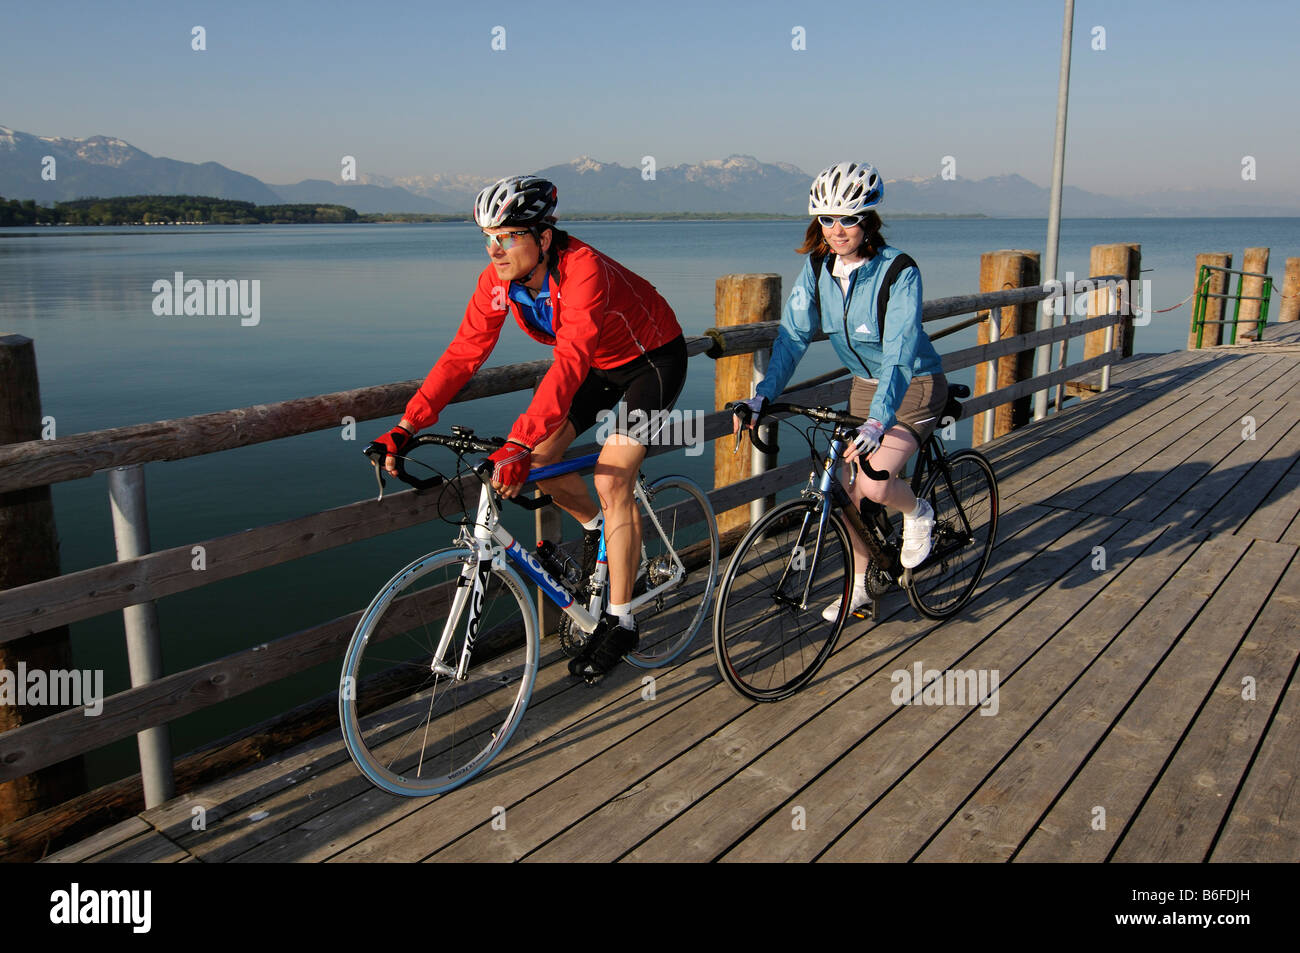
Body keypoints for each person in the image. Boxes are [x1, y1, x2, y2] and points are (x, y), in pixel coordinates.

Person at [369, 175, 687, 678]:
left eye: (508, 235)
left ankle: (622, 620)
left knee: (610, 477)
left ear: (542, 237)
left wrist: (518, 436)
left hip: (651, 362)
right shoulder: (497, 282)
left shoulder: (583, 271)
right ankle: (598, 527)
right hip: (597, 368)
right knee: (540, 462)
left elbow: (570, 359)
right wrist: (407, 424)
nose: (495, 249)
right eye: (487, 237)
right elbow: (463, 354)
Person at [734, 161, 948, 620]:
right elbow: (792, 336)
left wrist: (878, 418)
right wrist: (763, 396)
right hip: (862, 388)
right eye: (827, 219)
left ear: (868, 219)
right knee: (848, 494)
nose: (837, 229)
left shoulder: (899, 272)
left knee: (873, 481)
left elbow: (899, 353)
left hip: (914, 385)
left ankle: (919, 511)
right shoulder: (817, 269)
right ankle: (863, 584)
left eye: (848, 218)